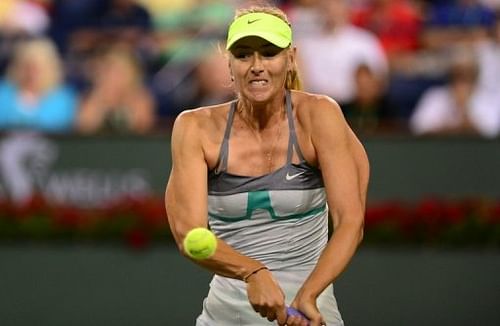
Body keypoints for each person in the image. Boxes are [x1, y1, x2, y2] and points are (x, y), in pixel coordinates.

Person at [165, 5, 369, 326]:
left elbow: (350, 222)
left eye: (270, 53)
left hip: (311, 307)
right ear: (229, 64)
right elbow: (188, 233)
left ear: (290, 59)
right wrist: (252, 272)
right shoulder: (194, 127)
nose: (256, 66)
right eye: (244, 55)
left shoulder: (320, 115)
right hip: (226, 314)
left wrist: (308, 295)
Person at [0, 38, 78, 133]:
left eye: (38, 68)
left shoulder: (64, 99)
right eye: (27, 67)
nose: (32, 73)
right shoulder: (3, 93)